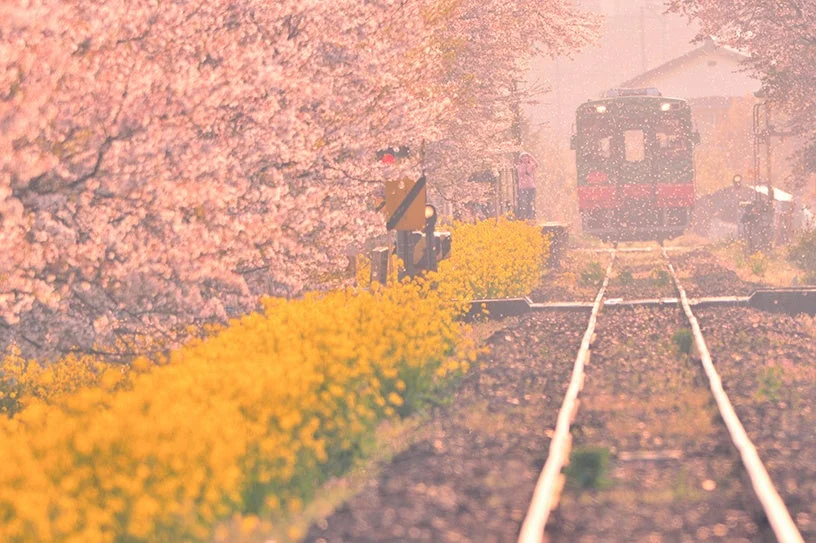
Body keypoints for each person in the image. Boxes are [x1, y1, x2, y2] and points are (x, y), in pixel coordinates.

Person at [516, 152, 539, 220]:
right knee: (523, 202)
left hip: (531, 187)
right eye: (523, 157)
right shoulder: (519, 166)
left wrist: (531, 157)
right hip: (522, 187)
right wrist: (524, 166)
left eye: (526, 157)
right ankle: (523, 217)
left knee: (530, 203)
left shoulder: (531, 165)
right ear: (521, 159)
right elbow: (521, 173)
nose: (525, 158)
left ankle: (530, 217)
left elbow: (537, 164)